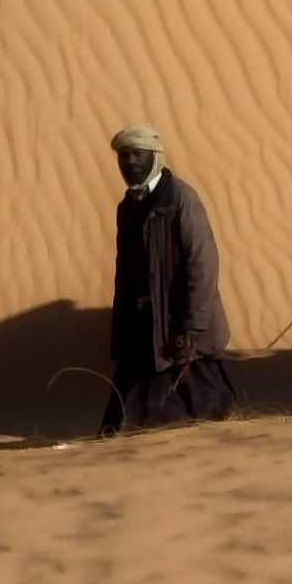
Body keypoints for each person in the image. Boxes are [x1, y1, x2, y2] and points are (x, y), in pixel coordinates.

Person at [105, 123, 238, 433]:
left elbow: (202, 263)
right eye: (124, 156)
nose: (130, 163)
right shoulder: (127, 207)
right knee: (132, 407)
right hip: (142, 325)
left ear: (155, 157)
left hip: (178, 322)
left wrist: (194, 324)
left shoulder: (181, 200)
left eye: (137, 154)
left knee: (201, 389)